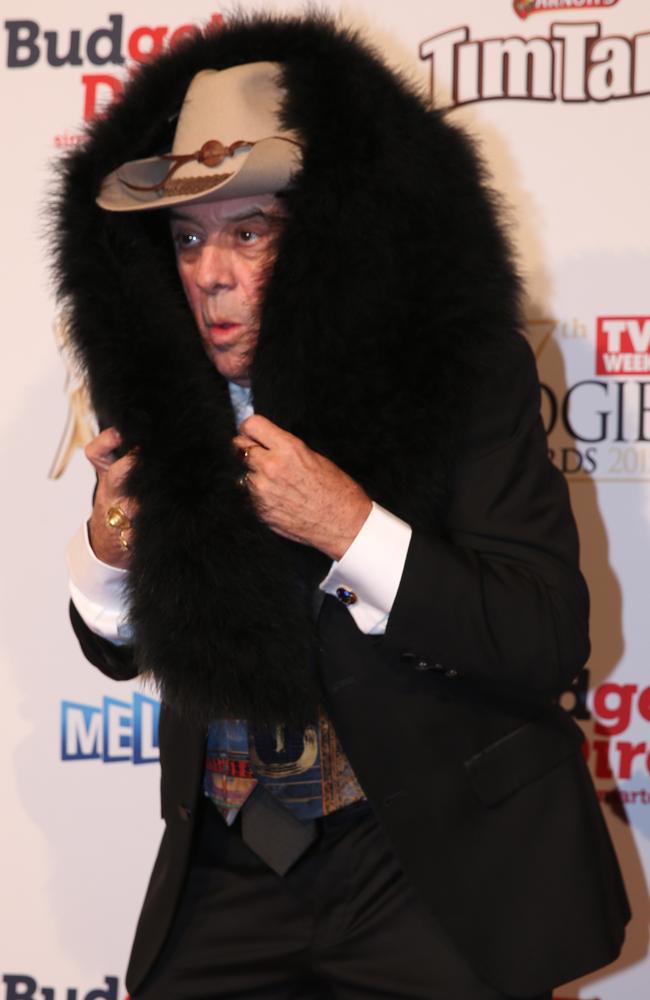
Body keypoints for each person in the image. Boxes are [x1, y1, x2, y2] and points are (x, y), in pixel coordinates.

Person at [53, 13, 630, 1000]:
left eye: (248, 232)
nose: (209, 275)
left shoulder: (458, 370)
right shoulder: (159, 393)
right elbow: (121, 648)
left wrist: (349, 527)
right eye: (186, 237)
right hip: (227, 869)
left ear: (326, 240)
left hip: (424, 862)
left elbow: (543, 636)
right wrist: (110, 551)